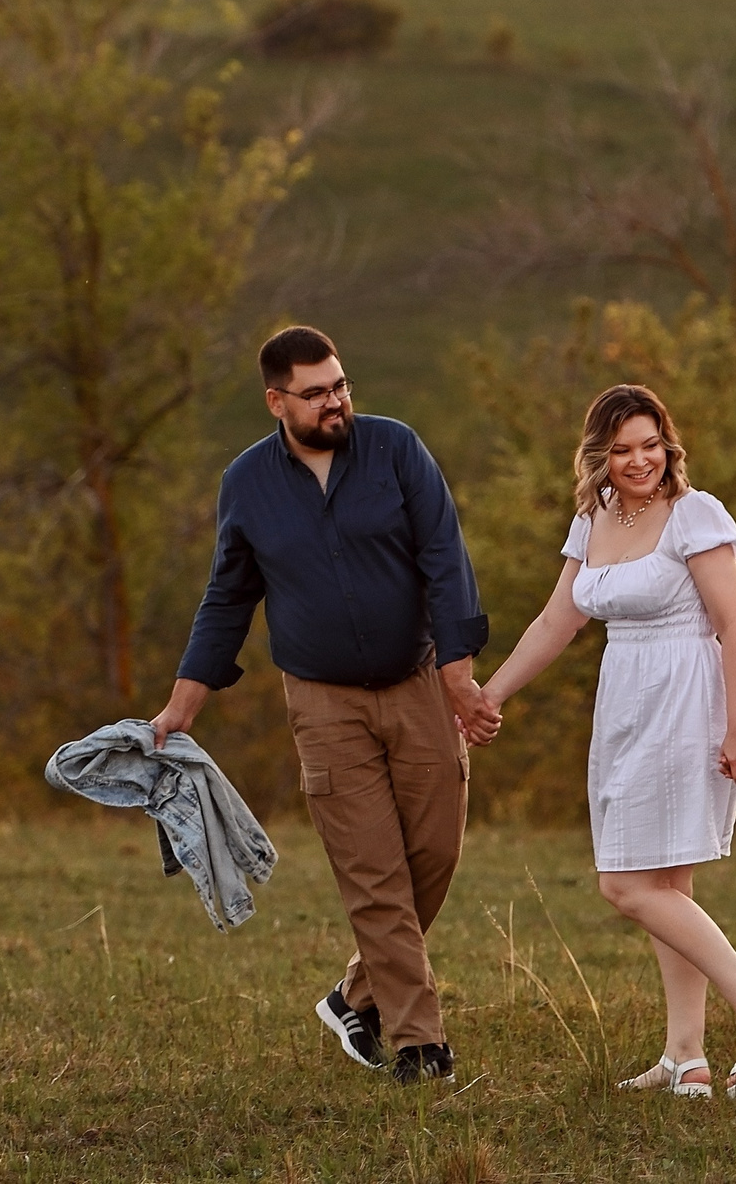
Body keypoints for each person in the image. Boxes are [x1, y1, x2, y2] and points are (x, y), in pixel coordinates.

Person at [149, 326, 500, 1086]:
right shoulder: (247, 483)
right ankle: (418, 1043)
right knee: (373, 874)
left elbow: (446, 557)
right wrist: (182, 705)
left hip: (419, 684)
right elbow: (228, 597)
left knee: (432, 855)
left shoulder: (396, 450)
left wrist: (460, 676)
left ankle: (352, 995)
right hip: (323, 704)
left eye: (340, 385)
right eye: (316, 393)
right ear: (277, 401)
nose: (336, 401)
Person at [478, 383, 736, 1099]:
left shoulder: (695, 514)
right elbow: (555, 623)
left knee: (626, 884)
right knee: (666, 883)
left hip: (685, 695)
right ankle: (684, 1055)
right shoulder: (594, 516)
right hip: (623, 699)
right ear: (599, 456)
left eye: (650, 444)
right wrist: (491, 692)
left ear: (669, 443)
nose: (640, 461)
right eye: (623, 449)